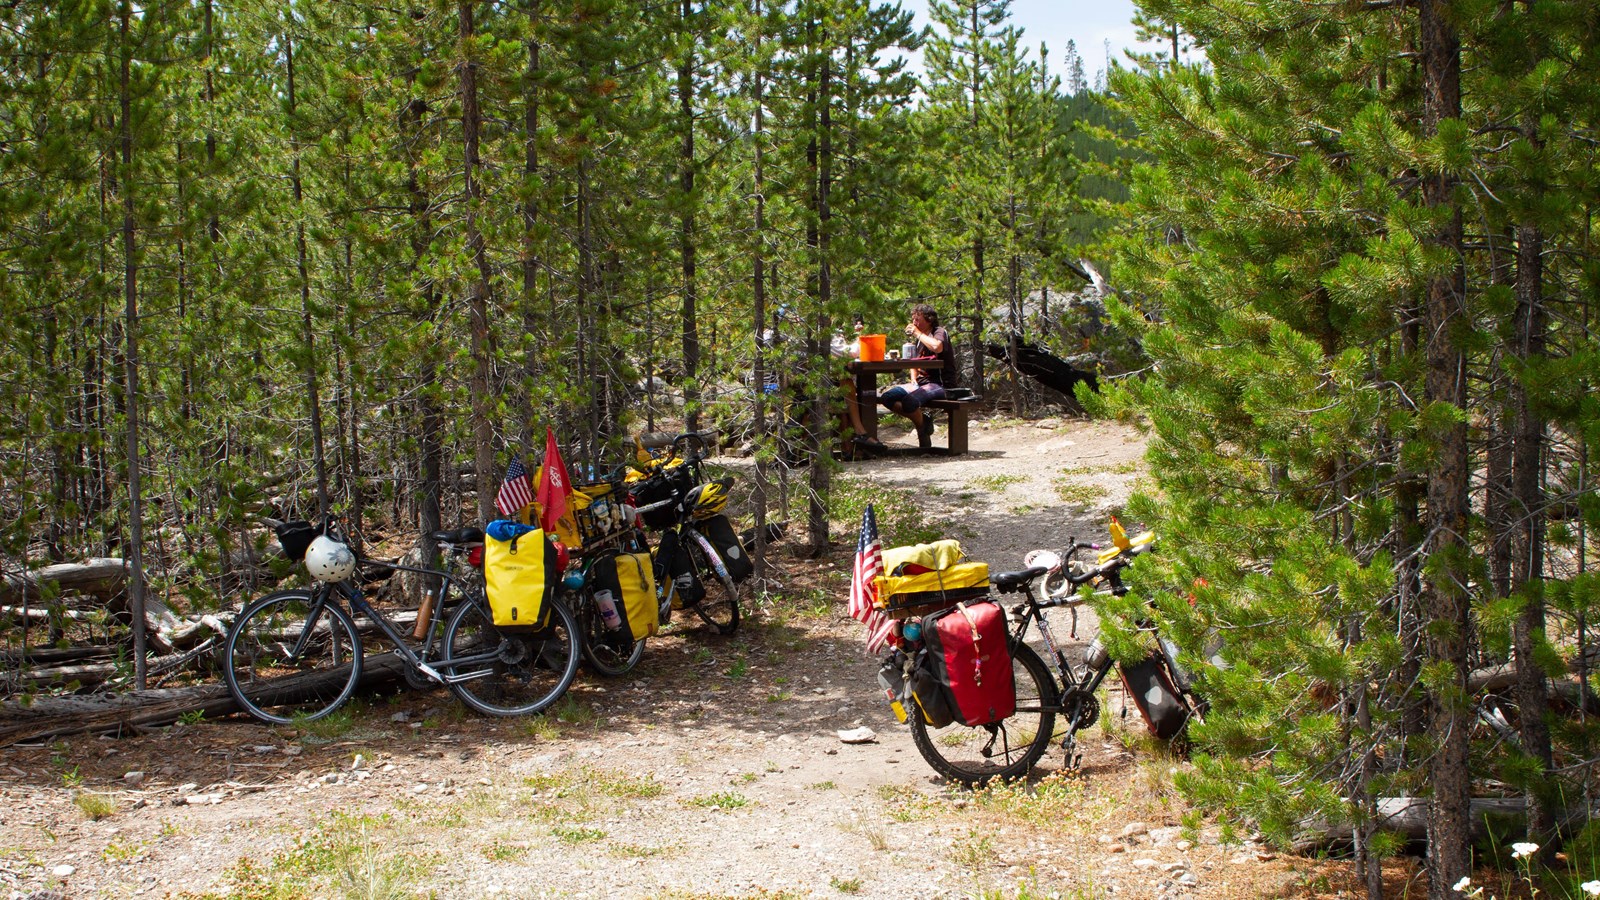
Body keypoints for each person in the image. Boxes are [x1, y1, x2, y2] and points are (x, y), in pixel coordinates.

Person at [879, 303, 956, 451]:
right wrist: (913, 378)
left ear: (929, 319)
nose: (914, 323)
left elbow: (937, 347)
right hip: (921, 383)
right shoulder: (919, 338)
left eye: (917, 319)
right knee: (887, 397)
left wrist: (917, 333)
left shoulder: (938, 332)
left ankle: (922, 428)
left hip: (940, 384)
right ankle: (922, 422)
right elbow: (914, 361)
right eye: (913, 319)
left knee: (909, 401)